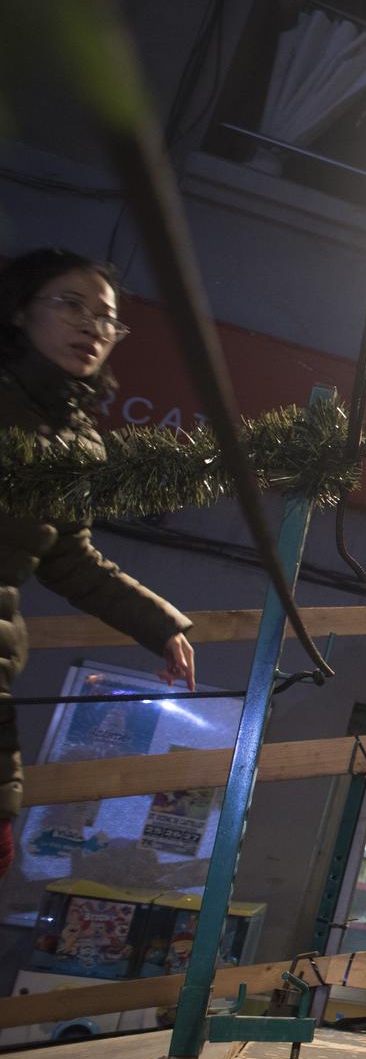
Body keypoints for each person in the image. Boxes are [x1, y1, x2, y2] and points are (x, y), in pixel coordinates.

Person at [0, 249, 196, 882]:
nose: (91, 327)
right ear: (22, 310)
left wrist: (159, 624)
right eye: (71, 305)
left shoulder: (76, 439)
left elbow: (68, 558)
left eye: (106, 319)